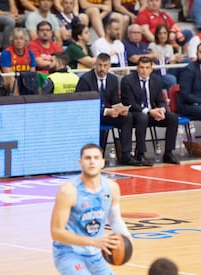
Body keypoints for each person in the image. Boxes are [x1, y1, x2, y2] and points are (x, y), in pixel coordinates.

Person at [51, 143, 133, 274]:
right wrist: (93, 242)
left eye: (96, 158)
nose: (92, 162)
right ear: (80, 162)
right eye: (88, 158)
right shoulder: (68, 191)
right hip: (69, 254)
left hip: (96, 254)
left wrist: (129, 241)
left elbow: (115, 220)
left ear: (102, 162)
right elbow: (56, 232)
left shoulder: (112, 188)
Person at [76, 53, 143, 165]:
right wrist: (107, 111)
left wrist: (120, 108)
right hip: (89, 115)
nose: (102, 69)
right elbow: (83, 106)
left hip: (106, 114)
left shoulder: (112, 79)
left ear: (109, 66)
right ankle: (95, 156)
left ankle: (126, 155)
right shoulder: (85, 79)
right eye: (100, 65)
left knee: (128, 117)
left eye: (105, 65)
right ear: (95, 65)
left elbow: (114, 100)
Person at [121, 56, 180, 164]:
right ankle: (140, 154)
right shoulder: (127, 80)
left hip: (152, 113)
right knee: (143, 118)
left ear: (151, 69)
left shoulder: (156, 80)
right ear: (137, 68)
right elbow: (129, 103)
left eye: (147, 68)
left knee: (172, 117)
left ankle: (168, 153)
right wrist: (149, 111)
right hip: (135, 113)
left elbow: (161, 101)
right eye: (142, 67)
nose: (144, 70)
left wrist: (161, 110)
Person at [0, 28, 36, 94]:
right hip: (11, 80)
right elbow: (8, 74)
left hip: (25, 79)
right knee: (12, 80)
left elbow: (32, 72)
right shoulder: (6, 53)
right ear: (12, 41)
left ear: (25, 41)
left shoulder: (30, 53)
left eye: (21, 38)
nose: (18, 41)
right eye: (16, 39)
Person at [148, 24, 184, 89]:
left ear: (168, 35)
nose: (162, 36)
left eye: (165, 33)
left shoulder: (169, 47)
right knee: (171, 79)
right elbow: (155, 60)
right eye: (160, 33)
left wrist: (176, 60)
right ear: (157, 35)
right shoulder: (152, 45)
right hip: (157, 72)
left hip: (168, 69)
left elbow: (171, 63)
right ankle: (172, 97)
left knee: (185, 65)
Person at [178, 43, 201, 120]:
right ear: (196, 53)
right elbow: (185, 94)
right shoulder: (189, 70)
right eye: (200, 52)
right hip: (188, 105)